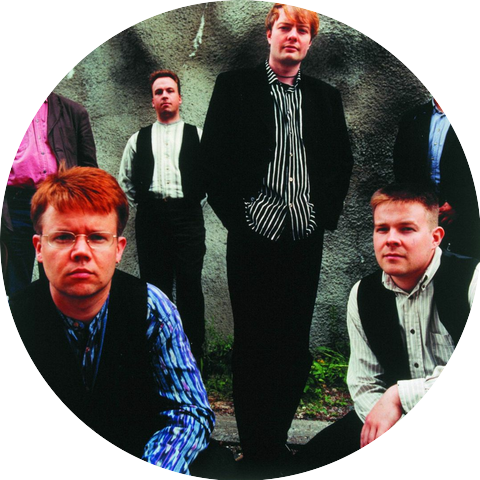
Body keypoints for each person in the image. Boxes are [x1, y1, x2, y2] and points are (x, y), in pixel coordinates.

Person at [200, 0, 353, 474]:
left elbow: (340, 162)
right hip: (252, 240)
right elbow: (212, 160)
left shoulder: (325, 97)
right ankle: (254, 446)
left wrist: (318, 216)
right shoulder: (235, 87)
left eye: (302, 30)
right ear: (270, 34)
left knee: (292, 345)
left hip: (303, 240)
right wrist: (242, 217)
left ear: (310, 41)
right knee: (252, 343)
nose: (293, 36)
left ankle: (277, 439)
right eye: (285, 27)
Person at [0, 167, 214, 479]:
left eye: (97, 237)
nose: (81, 252)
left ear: (118, 249)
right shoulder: (8, 322)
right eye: (63, 237)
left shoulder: (153, 310)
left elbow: (189, 412)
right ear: (39, 248)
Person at [292, 184, 480, 480]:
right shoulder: (363, 294)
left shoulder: (472, 279)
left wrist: (400, 395)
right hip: (400, 422)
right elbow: (365, 388)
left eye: (406, 229)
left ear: (435, 237)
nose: (391, 239)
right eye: (382, 229)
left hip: (468, 423)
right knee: (308, 466)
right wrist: (414, 451)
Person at [0, 25, 97, 296]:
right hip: (12, 208)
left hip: (59, 206)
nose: (33, 53)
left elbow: (89, 170)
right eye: (25, 46)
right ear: (12, 56)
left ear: (48, 61)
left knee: (59, 283)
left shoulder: (74, 112)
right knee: (13, 287)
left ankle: (53, 326)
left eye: (40, 49)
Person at [118, 70, 206, 362]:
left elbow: (209, 180)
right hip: (151, 218)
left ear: (180, 98)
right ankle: (156, 352)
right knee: (154, 286)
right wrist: (147, 205)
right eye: (159, 92)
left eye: (170, 91)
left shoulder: (198, 136)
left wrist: (190, 203)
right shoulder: (138, 139)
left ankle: (193, 352)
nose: (165, 96)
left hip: (188, 217)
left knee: (190, 283)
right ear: (152, 101)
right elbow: (125, 182)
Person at [393, 44, 480, 259]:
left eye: (454, 66)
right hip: (421, 220)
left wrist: (459, 205)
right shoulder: (413, 118)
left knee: (464, 275)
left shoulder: (477, 112)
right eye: (440, 66)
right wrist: (420, 208)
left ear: (468, 74)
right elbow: (401, 169)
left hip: (468, 221)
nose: (445, 71)